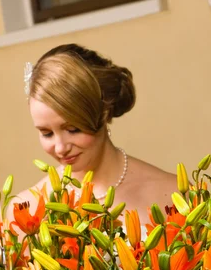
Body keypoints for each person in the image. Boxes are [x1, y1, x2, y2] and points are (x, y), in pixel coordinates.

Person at [14, 43, 176, 224]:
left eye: (72, 129)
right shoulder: (27, 210)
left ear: (104, 113)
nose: (60, 148)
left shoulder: (173, 194)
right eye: (47, 133)